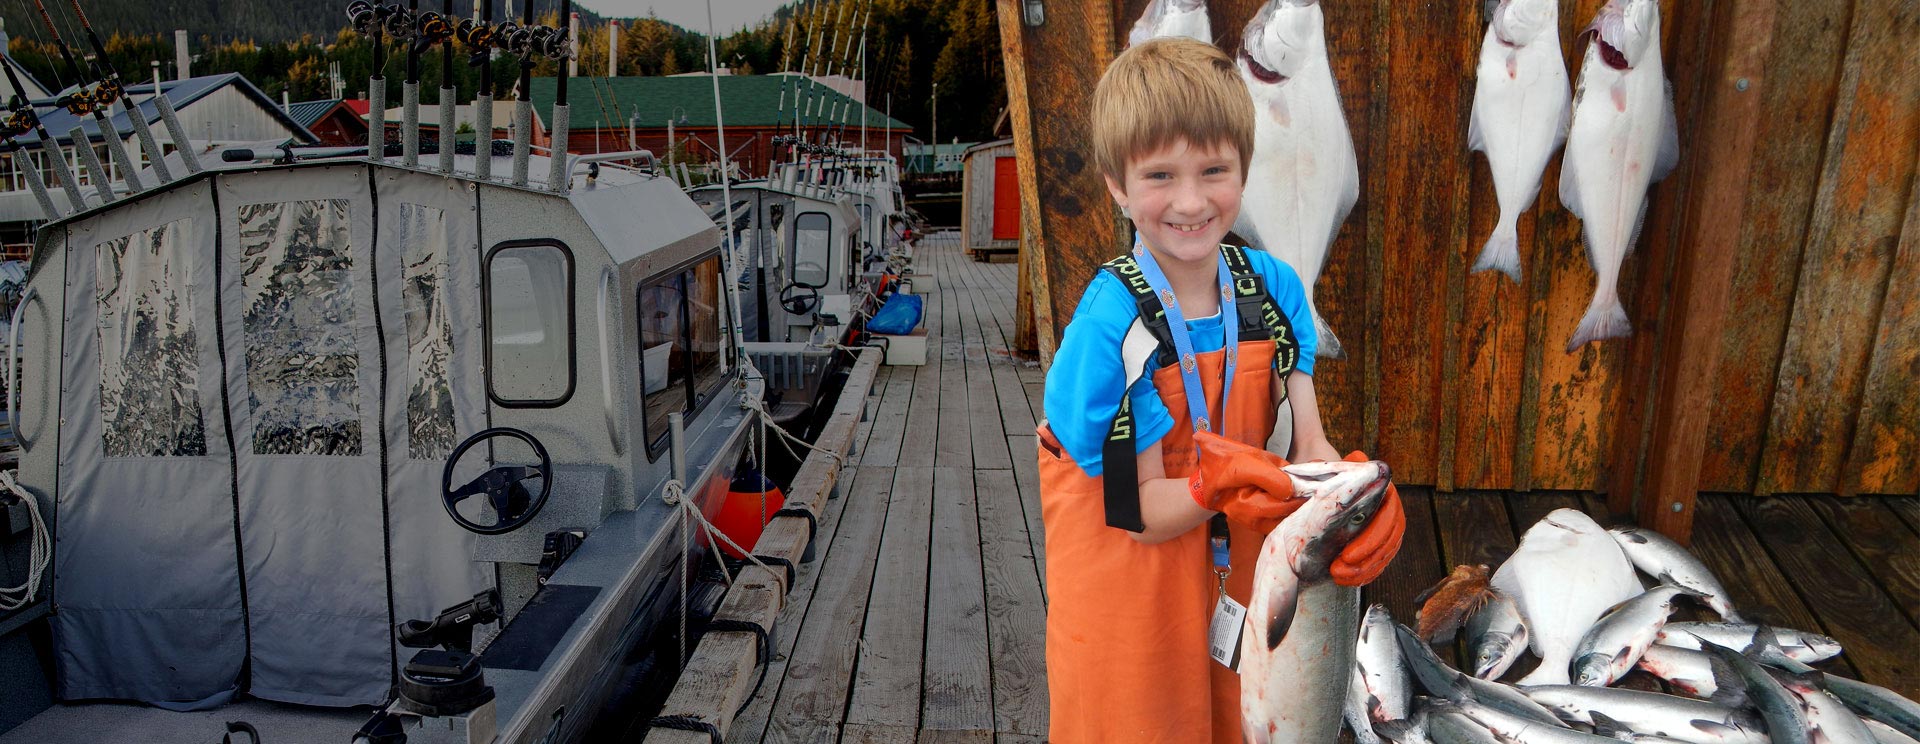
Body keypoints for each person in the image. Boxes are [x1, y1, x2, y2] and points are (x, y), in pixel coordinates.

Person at [1036, 38, 1405, 743]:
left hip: (1234, 567)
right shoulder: (1109, 328)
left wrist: (1354, 497)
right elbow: (1137, 510)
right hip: (1130, 585)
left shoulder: (1277, 291)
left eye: (1214, 170)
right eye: (1159, 175)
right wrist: (1217, 488)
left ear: (1243, 167)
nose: (1190, 201)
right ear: (1116, 185)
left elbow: (1311, 443)